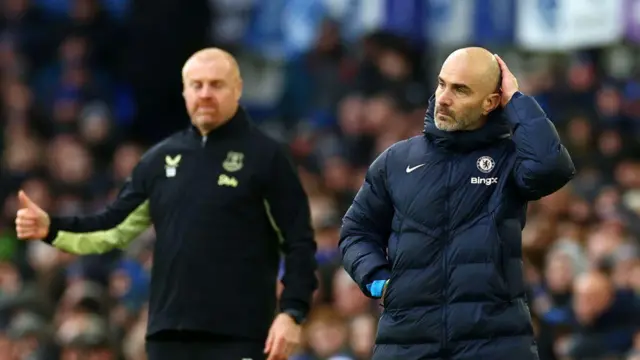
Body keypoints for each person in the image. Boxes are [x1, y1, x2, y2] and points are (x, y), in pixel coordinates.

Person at [15, 48, 318, 360]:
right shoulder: (159, 160)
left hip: (240, 335)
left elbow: (299, 242)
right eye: (196, 85)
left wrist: (292, 312)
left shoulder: (267, 158)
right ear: (184, 91)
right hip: (168, 336)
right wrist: (51, 228)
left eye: (216, 84)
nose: (205, 94)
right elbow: (112, 227)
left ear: (237, 89)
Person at [339, 47, 575, 360]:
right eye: (442, 84)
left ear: (491, 101)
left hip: (495, 343)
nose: (444, 98)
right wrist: (378, 282)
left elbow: (550, 168)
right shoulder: (396, 161)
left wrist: (517, 101)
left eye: (460, 90)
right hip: (407, 342)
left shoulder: (509, 158)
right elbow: (356, 231)